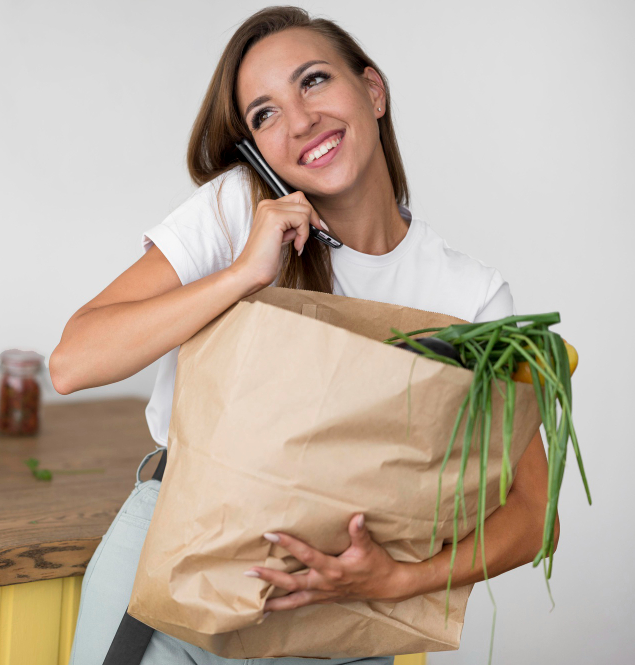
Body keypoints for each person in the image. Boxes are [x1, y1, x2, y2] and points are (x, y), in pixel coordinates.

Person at [50, 6, 558, 665]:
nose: (298, 120)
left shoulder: (470, 298)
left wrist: (399, 580)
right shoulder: (239, 212)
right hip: (172, 586)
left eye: (313, 81)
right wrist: (241, 275)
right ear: (258, 147)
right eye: (264, 113)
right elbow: (73, 360)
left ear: (372, 91)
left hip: (339, 625)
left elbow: (533, 512)